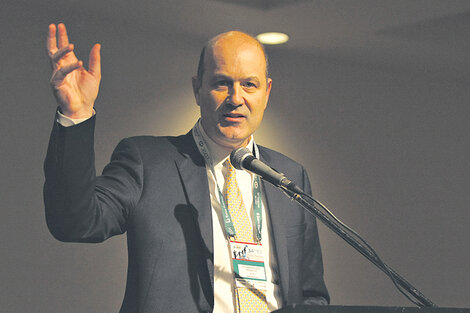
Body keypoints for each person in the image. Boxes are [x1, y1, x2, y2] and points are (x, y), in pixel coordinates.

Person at [44, 23, 329, 313]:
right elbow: (75, 222)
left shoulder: (289, 176)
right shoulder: (147, 161)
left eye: (249, 84)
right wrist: (75, 116)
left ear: (266, 92)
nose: (235, 98)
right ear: (197, 89)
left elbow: (310, 293)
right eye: (221, 83)